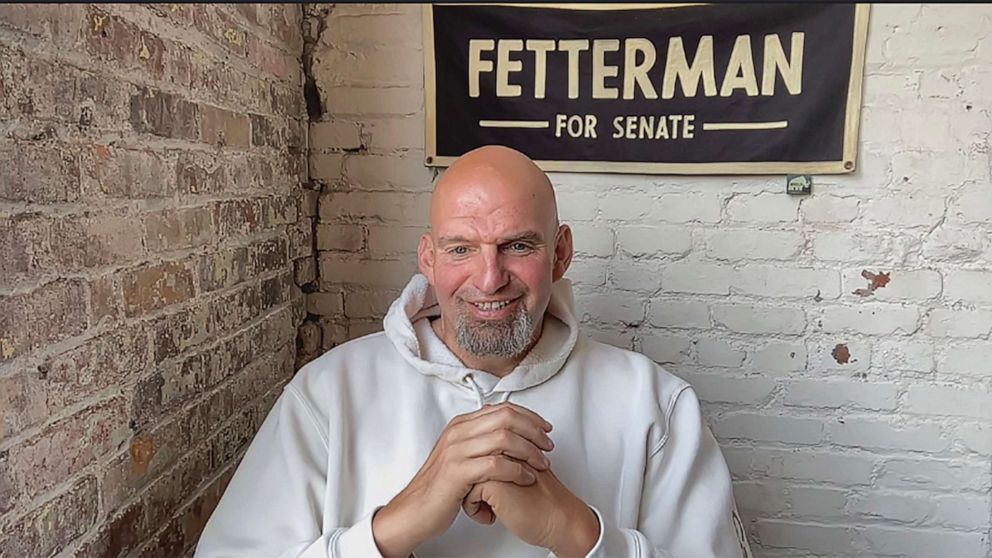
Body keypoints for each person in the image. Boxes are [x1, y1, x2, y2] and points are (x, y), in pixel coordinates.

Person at [195, 145, 751, 557]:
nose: (489, 279)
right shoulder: (326, 394)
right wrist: (390, 530)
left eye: (518, 245)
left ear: (559, 254)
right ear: (429, 258)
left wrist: (577, 533)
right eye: (462, 248)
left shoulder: (656, 405)